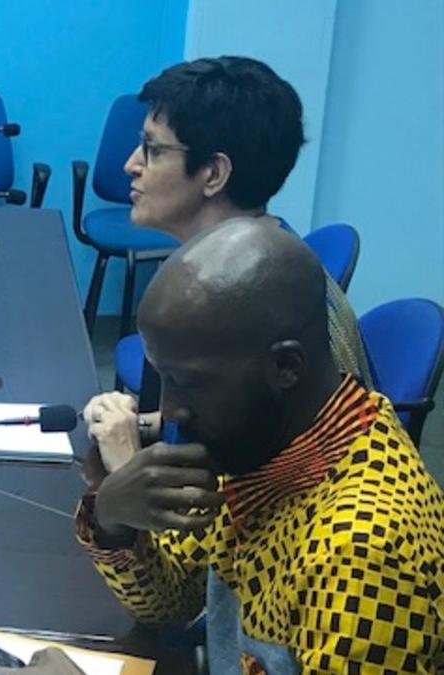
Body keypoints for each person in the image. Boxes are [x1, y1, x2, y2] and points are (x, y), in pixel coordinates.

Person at [73, 220, 443, 673]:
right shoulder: (265, 445)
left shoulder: (362, 553)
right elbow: (172, 602)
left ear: (285, 366)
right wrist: (113, 517)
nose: (169, 410)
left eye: (188, 382)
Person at [84, 56, 371, 474]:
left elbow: (278, 485)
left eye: (153, 149)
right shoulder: (239, 270)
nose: (131, 164)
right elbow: (233, 428)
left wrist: (127, 467)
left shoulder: (254, 307)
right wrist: (135, 426)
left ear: (213, 174)